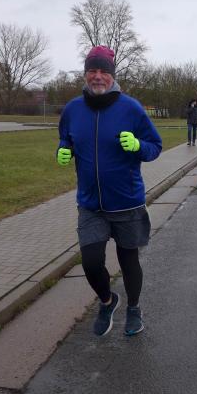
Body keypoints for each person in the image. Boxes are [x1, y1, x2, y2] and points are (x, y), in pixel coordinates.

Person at [57, 45, 162, 337]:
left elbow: (155, 146)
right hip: (91, 204)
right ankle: (107, 301)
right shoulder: (73, 109)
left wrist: (138, 146)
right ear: (85, 74)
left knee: (129, 261)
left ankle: (134, 308)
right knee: (91, 263)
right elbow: (65, 138)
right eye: (92, 70)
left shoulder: (131, 108)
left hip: (127, 202)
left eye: (103, 71)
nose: (97, 76)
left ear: (112, 75)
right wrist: (63, 150)